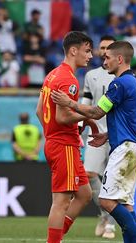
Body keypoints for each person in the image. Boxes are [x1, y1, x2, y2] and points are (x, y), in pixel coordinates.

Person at [51, 40, 136, 243]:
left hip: (125, 148)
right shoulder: (134, 82)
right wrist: (108, 134)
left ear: (119, 59)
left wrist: (68, 103)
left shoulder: (118, 84)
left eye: (108, 57)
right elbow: (125, 118)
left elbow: (96, 111)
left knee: (105, 200)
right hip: (132, 145)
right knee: (126, 205)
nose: (104, 61)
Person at [35, 31, 94, 243]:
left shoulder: (52, 75)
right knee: (61, 202)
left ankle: (57, 237)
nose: (90, 56)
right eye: (87, 51)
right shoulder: (69, 80)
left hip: (57, 143)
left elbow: (39, 111)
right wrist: (88, 116)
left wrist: (50, 133)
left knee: (85, 194)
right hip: (64, 146)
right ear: (73, 50)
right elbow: (62, 116)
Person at [80, 35, 117, 239]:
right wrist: (78, 128)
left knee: (113, 180)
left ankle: (110, 225)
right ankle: (104, 214)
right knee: (89, 175)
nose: (104, 51)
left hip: (115, 136)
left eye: (108, 48)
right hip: (95, 134)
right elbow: (85, 104)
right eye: (101, 48)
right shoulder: (91, 75)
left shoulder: (120, 76)